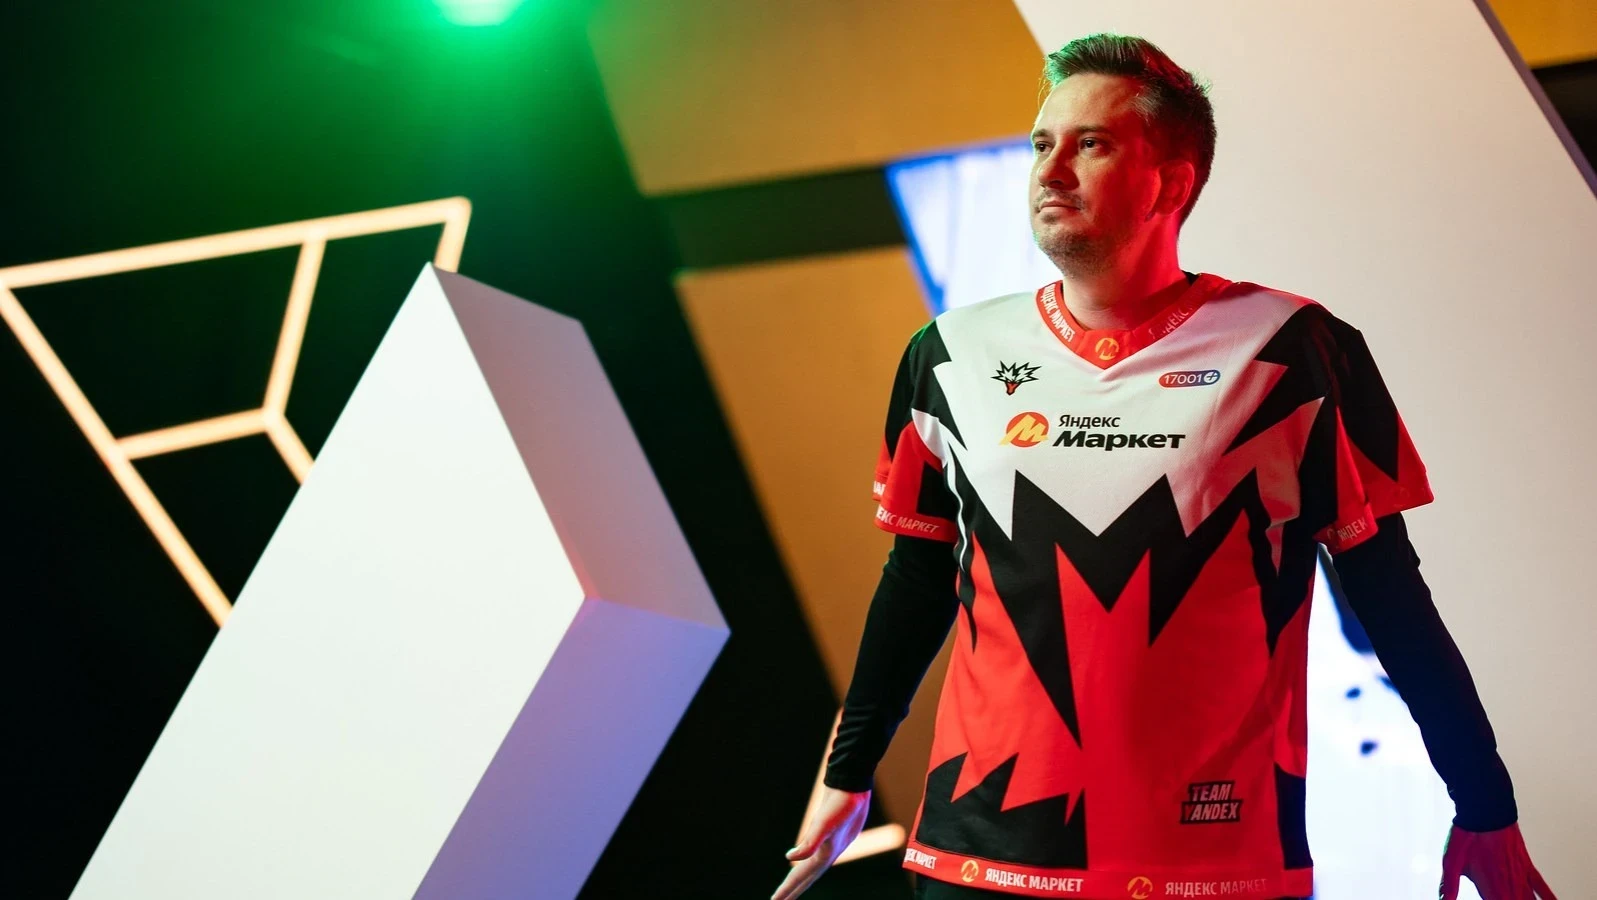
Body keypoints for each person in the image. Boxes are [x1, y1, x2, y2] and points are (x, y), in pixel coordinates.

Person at [771, 33, 1557, 900]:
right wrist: (846, 773)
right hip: (978, 858)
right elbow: (916, 580)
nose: (1050, 171)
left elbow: (1388, 592)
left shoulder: (1293, 349)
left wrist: (1483, 801)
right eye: (1041, 144)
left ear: (1170, 185)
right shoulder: (948, 355)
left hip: (1215, 866)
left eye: (1090, 144)